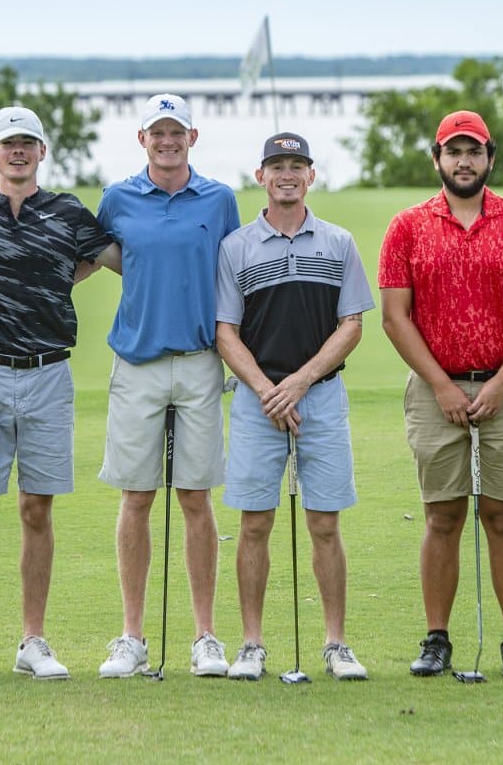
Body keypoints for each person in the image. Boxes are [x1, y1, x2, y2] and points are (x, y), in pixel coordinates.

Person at [0, 107, 121, 682]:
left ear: (41, 152)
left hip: (48, 375)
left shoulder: (67, 212)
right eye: (9, 143)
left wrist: (52, 288)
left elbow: (106, 261)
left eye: (28, 143)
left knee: (37, 507)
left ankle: (33, 639)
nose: (18, 152)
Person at [378, 110, 503, 679]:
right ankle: (436, 638)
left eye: (473, 151)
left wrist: (502, 382)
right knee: (442, 516)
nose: (463, 161)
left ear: (489, 158)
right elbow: (394, 317)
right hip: (436, 389)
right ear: (436, 159)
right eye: (453, 152)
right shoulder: (406, 226)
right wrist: (440, 385)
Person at [215, 133, 374, 681]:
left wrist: (300, 383)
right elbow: (225, 332)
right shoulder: (236, 246)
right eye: (277, 165)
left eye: (297, 166)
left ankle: (336, 643)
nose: (287, 174)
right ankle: (252, 644)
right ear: (261, 176)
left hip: (321, 397)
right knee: (254, 523)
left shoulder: (338, 242)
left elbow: (351, 324)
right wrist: (266, 389)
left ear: (311, 176)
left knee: (325, 523)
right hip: (258, 401)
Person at [95, 93, 240, 678]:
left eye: (176, 131)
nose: (167, 140)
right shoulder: (118, 198)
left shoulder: (220, 199)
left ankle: (205, 635)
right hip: (138, 361)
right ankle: (132, 636)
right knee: (136, 497)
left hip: (202, 360)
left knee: (196, 498)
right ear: (142, 139)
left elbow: (233, 270)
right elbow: (101, 254)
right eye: (157, 132)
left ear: (192, 137)